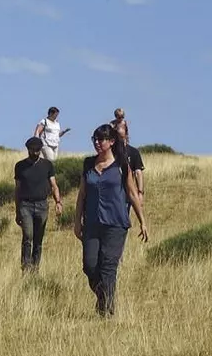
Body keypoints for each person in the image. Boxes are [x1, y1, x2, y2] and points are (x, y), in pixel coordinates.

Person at [73, 124, 149, 317]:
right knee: (90, 266)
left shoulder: (122, 165)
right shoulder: (88, 164)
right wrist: (76, 222)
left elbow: (132, 194)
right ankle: (103, 298)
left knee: (108, 265)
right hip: (91, 224)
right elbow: (82, 195)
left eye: (101, 140)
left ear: (112, 142)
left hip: (115, 223)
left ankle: (107, 310)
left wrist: (142, 221)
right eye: (95, 140)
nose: (97, 143)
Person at [14, 137, 63, 273]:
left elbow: (54, 185)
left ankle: (35, 268)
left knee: (38, 238)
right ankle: (25, 267)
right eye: (32, 150)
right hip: (26, 205)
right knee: (28, 236)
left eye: (37, 150)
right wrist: (17, 210)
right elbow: (17, 190)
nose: (35, 153)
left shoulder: (47, 165)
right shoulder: (20, 166)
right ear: (28, 149)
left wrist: (58, 202)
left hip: (42, 205)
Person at [110, 108, 145, 208]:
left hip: (126, 195)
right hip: (111, 195)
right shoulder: (110, 152)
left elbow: (138, 172)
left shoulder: (133, 152)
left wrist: (140, 193)